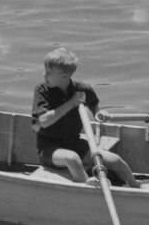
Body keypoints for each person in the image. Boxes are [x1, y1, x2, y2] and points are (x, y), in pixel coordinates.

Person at [31, 47, 137, 186]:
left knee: (115, 160)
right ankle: (87, 185)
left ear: (64, 75)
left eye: (49, 72)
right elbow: (43, 121)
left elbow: (94, 104)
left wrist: (99, 113)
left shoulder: (81, 89)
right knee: (72, 159)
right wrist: (71, 103)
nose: (44, 74)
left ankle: (137, 186)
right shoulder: (42, 90)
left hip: (74, 143)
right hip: (49, 149)